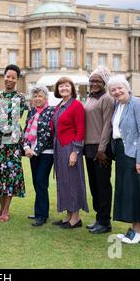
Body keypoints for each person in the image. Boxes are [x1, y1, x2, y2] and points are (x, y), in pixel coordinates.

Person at [108, 75, 140, 244]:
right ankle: (133, 228)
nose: (116, 91)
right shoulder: (118, 105)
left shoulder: (138, 103)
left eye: (119, 88)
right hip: (122, 153)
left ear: (127, 88)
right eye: (113, 90)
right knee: (127, 192)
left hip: (136, 154)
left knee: (137, 192)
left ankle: (139, 231)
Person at [0, 64, 27, 223]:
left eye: (13, 77)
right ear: (4, 77)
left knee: (10, 175)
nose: (9, 79)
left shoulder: (20, 98)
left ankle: (6, 210)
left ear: (17, 79)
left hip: (12, 143)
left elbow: (15, 121)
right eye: (7, 76)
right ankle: (1, 207)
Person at [51, 77, 88, 229]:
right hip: (59, 147)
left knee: (73, 181)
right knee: (63, 182)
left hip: (70, 147)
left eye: (66, 86)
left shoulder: (77, 105)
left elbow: (80, 129)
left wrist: (75, 152)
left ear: (72, 88)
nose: (63, 88)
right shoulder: (60, 105)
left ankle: (76, 218)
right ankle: (68, 215)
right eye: (61, 86)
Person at [84, 66, 115, 234]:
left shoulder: (106, 99)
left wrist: (102, 149)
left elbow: (107, 125)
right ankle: (99, 218)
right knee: (94, 185)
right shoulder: (90, 98)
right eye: (92, 80)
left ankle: (105, 221)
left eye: (98, 80)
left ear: (104, 82)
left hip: (101, 150)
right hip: (89, 148)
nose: (94, 83)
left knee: (103, 186)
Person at [22, 84, 56, 227]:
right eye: (35, 96)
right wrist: (26, 147)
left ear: (45, 97)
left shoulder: (51, 111)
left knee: (41, 182)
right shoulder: (31, 112)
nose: (37, 98)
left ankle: (42, 215)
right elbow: (26, 131)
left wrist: (35, 151)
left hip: (46, 153)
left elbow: (49, 134)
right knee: (36, 182)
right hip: (32, 153)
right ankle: (39, 211)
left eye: (40, 96)